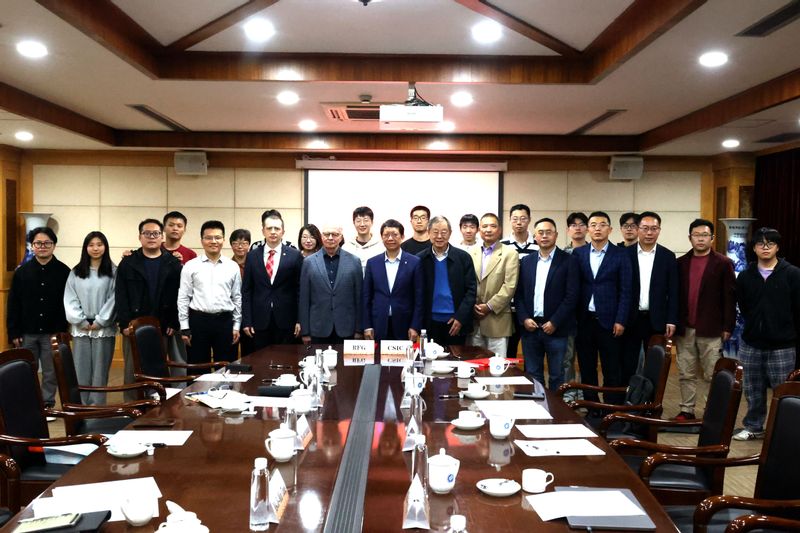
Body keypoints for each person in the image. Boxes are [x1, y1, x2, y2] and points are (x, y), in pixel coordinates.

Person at [733, 227, 800, 441]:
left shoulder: (792, 273)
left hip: (782, 344)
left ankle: (783, 431)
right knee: (752, 389)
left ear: (777, 247)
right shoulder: (745, 276)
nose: (765, 247)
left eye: (770, 243)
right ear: (753, 248)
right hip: (751, 342)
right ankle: (754, 427)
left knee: (783, 391)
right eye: (760, 244)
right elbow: (743, 306)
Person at [673, 219, 736, 421]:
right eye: (696, 235)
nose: (700, 239)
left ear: (712, 238)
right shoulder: (680, 263)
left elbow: (729, 297)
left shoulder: (723, 263)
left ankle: (713, 412)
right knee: (686, 372)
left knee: (712, 374)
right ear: (689, 238)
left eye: (705, 235)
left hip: (712, 328)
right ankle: (687, 410)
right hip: (685, 328)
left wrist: (728, 326)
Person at [116, 219, 182, 397]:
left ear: (162, 237)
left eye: (156, 233)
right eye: (147, 233)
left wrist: (173, 321)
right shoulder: (128, 263)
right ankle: (133, 407)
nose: (151, 237)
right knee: (132, 371)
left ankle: (159, 405)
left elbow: (179, 295)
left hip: (163, 325)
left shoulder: (173, 263)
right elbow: (120, 295)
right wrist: (124, 324)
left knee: (159, 369)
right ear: (140, 237)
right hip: (133, 326)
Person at [7, 227, 70, 408]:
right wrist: (13, 332)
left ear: (54, 245)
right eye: (38, 243)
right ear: (32, 246)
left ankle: (47, 404)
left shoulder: (64, 271)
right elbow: (13, 304)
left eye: (47, 243)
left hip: (52, 331)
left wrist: (62, 331)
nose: (42, 246)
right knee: (26, 369)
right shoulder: (22, 272)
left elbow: (68, 303)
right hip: (27, 331)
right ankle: (28, 405)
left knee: (51, 372)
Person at [574, 211, 632, 404]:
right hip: (584, 321)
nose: (597, 228)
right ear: (587, 229)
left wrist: (621, 320)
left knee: (611, 368)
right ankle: (592, 406)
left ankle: (611, 406)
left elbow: (626, 290)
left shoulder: (621, 254)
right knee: (586, 367)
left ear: (610, 229)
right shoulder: (579, 254)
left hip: (610, 321)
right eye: (593, 225)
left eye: (602, 224)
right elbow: (573, 287)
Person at [516, 218, 578, 390]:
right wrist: (524, 318)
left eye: (548, 232)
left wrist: (555, 322)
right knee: (533, 374)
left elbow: (572, 296)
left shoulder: (569, 261)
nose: (544, 236)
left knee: (557, 375)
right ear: (535, 236)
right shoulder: (526, 261)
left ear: (556, 235)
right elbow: (518, 294)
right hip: (531, 328)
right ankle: (538, 405)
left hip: (556, 329)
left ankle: (555, 407)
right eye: (540, 233)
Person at [621, 211, 678, 386]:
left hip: (656, 319)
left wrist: (671, 319)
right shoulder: (625, 254)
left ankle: (651, 401)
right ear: (638, 229)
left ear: (659, 230)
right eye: (645, 228)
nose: (649, 233)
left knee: (655, 366)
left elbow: (673, 291)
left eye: (654, 228)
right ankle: (628, 398)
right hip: (630, 318)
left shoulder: (667, 256)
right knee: (627, 364)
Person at [63, 231, 117, 405]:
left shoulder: (113, 271)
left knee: (100, 370)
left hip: (103, 327)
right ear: (85, 248)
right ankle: (82, 405)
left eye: (99, 244)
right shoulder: (76, 272)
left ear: (105, 247)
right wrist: (80, 320)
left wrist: (101, 321)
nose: (95, 248)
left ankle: (97, 406)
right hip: (81, 327)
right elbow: (70, 298)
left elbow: (114, 298)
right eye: (91, 245)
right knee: (81, 368)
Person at [178, 221, 242, 363]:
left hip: (225, 322)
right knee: (197, 366)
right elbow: (183, 297)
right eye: (208, 238)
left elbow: (237, 297)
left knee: (226, 367)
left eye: (217, 237)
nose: (213, 241)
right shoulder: (191, 266)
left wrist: (236, 325)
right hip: (198, 322)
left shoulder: (232, 266)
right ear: (202, 240)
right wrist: (184, 327)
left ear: (223, 240)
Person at [241, 212, 302, 350]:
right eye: (269, 228)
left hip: (287, 320)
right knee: (260, 359)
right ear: (263, 231)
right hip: (259, 320)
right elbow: (246, 291)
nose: (273, 232)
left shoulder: (295, 255)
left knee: (285, 358)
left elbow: (300, 290)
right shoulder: (252, 256)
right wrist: (247, 320)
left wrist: (300, 320)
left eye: (277, 228)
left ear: (283, 232)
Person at [299, 224, 363, 344]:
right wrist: (305, 331)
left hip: (347, 328)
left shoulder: (354, 261)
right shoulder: (309, 262)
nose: (330, 237)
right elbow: (304, 299)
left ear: (341, 237)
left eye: (335, 234)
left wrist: (359, 329)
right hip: (318, 328)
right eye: (326, 234)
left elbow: (359, 298)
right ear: (321, 237)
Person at [418, 216, 476, 346]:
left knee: (455, 357)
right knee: (430, 357)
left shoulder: (463, 258)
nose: (439, 236)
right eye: (435, 232)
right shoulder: (420, 259)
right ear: (428, 233)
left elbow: (471, 291)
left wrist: (461, 317)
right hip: (429, 322)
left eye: (444, 232)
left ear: (450, 233)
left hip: (456, 321)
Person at [363, 219, 423, 342]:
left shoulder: (414, 262)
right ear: (381, 237)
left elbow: (419, 298)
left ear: (402, 237)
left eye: (395, 234)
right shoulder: (372, 263)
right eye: (386, 235)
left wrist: (415, 326)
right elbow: (366, 297)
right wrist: (367, 325)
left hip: (405, 324)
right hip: (378, 324)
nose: (390, 238)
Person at [469, 213, 519, 356]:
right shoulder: (472, 252)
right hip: (474, 320)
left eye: (493, 226)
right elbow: (468, 284)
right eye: (484, 226)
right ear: (479, 230)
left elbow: (509, 286)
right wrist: (472, 306)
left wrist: (489, 306)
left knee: (497, 365)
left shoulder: (510, 253)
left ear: (500, 230)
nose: (488, 230)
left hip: (498, 319)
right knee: (474, 363)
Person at [502, 203, 538, 357]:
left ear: (529, 220)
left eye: (523, 218)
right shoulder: (502, 245)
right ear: (510, 220)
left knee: (531, 353)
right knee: (509, 352)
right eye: (515, 219)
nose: (519, 222)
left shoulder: (539, 244)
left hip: (531, 308)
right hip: (507, 309)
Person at [562, 211, 589, 398]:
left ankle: (586, 394)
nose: (577, 228)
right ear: (568, 230)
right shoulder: (562, 254)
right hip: (568, 314)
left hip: (589, 312)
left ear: (587, 229)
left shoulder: (594, 251)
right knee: (567, 357)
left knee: (587, 358)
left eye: (581, 224)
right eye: (573, 225)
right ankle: (569, 393)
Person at [229, 229, 253, 356]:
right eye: (236, 243)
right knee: (231, 352)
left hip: (251, 315)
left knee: (250, 353)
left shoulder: (255, 265)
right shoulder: (226, 266)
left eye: (244, 243)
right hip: (232, 315)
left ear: (249, 245)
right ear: (231, 245)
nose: (240, 247)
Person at [343, 206, 384, 272]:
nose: (362, 224)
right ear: (354, 223)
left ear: (372, 222)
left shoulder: (381, 247)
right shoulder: (346, 247)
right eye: (358, 221)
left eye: (366, 220)